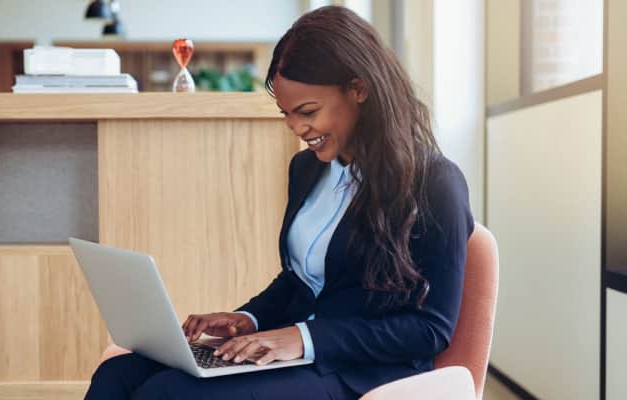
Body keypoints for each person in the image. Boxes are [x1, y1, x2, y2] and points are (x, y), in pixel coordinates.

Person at [85, 5, 473, 399]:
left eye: (307, 112)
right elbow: (299, 281)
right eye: (286, 114)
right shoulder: (307, 169)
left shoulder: (435, 183)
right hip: (295, 353)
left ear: (359, 89)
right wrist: (247, 319)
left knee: (170, 393)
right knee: (118, 375)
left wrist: (303, 338)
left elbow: (431, 329)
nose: (296, 128)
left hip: (363, 369)